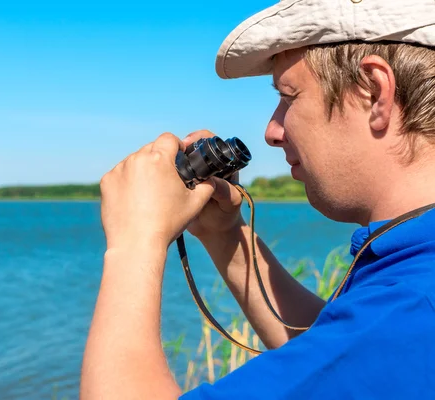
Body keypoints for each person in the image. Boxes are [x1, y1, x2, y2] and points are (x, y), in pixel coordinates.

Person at [80, 0, 435, 398]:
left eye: (288, 96)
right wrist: (224, 235)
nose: (272, 130)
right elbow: (338, 366)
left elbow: (375, 343)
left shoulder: (409, 312)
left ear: (374, 92)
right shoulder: (411, 282)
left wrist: (134, 241)